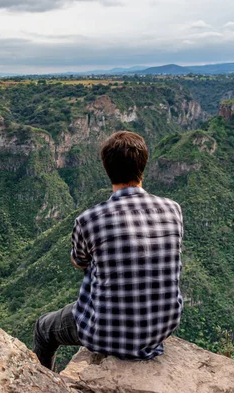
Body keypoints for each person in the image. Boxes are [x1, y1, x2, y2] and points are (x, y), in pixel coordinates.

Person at [33, 131, 184, 370]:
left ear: (106, 169)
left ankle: (42, 382)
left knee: (43, 329)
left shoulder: (89, 220)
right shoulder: (173, 210)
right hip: (161, 327)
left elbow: (79, 261)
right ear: (143, 165)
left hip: (105, 333)